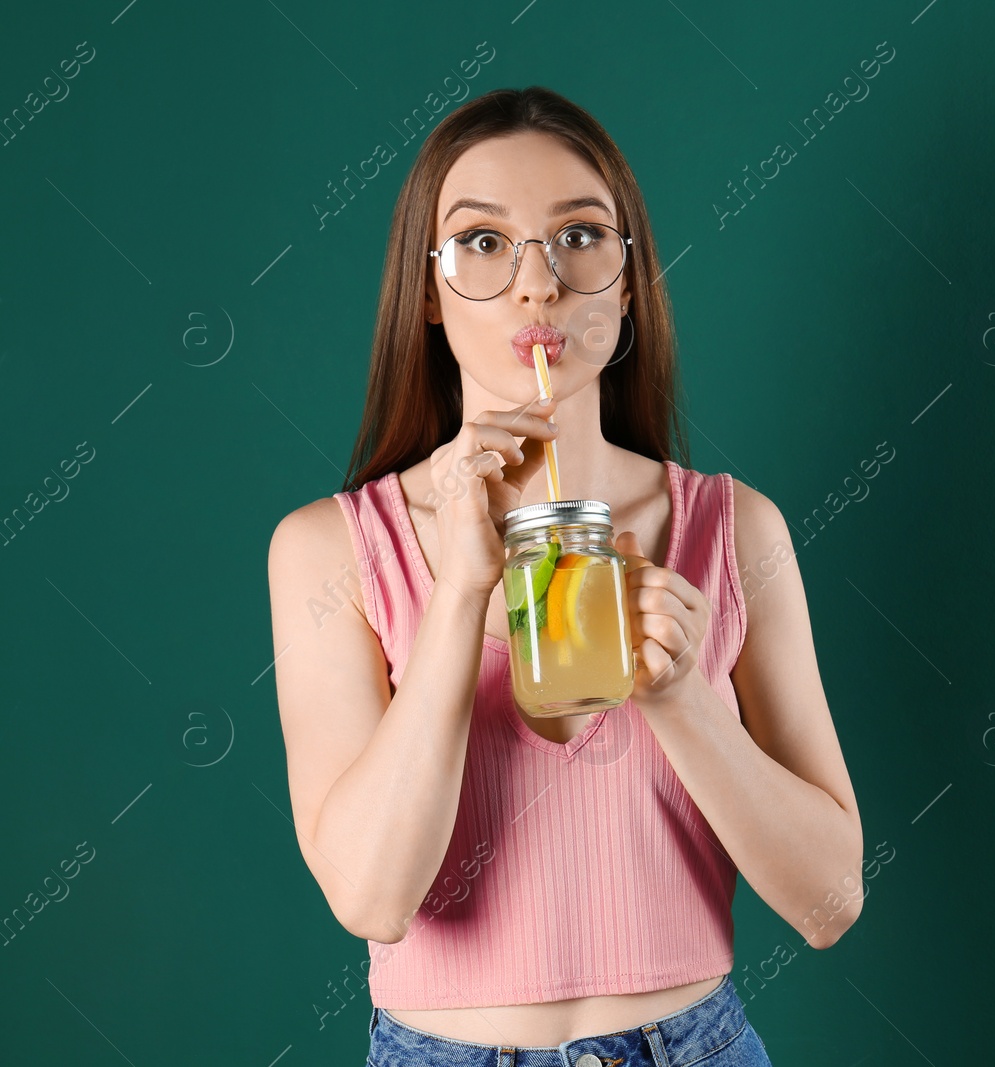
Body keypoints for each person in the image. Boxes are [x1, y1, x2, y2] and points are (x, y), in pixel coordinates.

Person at [266, 86, 862, 1063]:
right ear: (426, 290)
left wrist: (680, 699)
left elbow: (831, 901)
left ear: (628, 284)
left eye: (581, 236)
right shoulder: (328, 551)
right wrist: (460, 592)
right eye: (484, 242)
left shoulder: (733, 527)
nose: (538, 286)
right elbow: (374, 896)